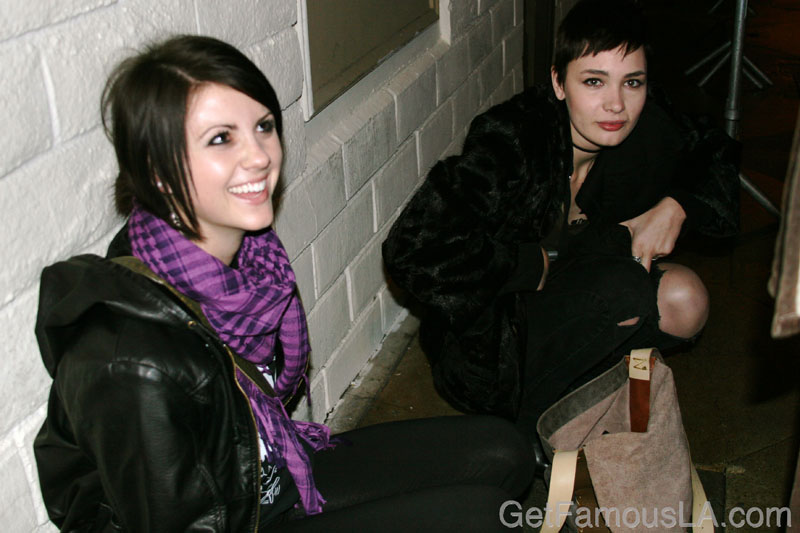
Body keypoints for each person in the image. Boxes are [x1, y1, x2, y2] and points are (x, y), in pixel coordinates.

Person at [32, 35, 534, 532]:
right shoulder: (134, 361)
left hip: (270, 476)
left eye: (264, 126)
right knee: (482, 518)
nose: (259, 156)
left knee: (503, 451)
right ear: (157, 171)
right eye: (221, 138)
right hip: (235, 523)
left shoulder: (251, 261)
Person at [382, 0, 740, 441]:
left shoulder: (649, 127)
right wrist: (527, 265)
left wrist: (677, 205)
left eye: (632, 82)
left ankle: (584, 398)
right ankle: (523, 436)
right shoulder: (515, 140)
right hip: (493, 341)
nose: (616, 104)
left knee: (685, 300)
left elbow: (716, 151)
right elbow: (412, 249)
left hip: (583, 293)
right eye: (594, 81)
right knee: (624, 290)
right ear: (558, 81)